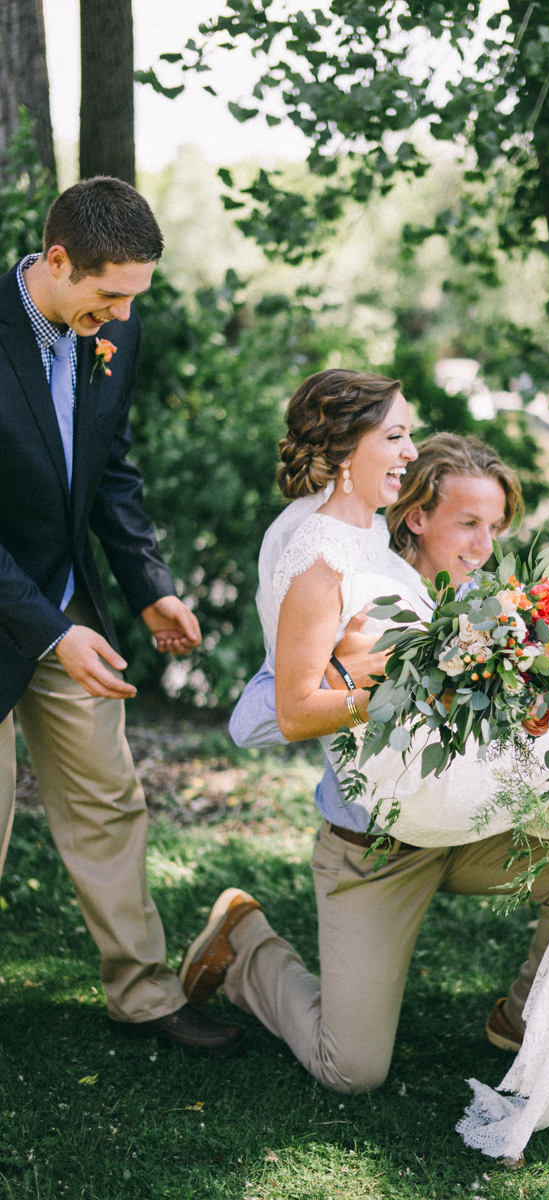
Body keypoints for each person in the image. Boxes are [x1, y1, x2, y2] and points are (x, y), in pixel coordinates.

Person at [179, 380, 549, 1092]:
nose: (484, 546)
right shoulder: (330, 555)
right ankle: (247, 946)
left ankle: (523, 1018)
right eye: (395, 436)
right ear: (418, 514)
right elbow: (271, 712)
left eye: (494, 529)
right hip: (375, 847)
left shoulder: (448, 584)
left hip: (458, 830)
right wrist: (383, 676)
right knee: (353, 1071)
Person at [0, 177, 243, 1057]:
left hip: (66, 602)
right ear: (56, 261)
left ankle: (144, 996)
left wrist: (149, 583)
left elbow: (109, 471)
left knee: (109, 796)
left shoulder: (113, 328)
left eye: (136, 295)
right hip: (12, 608)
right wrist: (52, 632)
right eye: (110, 294)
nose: (124, 313)